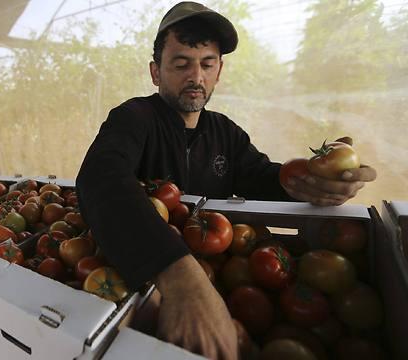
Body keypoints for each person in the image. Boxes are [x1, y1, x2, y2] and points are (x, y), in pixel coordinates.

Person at [75, 2, 377, 359]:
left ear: (219, 72)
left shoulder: (226, 134)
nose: (196, 77)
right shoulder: (134, 119)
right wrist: (179, 276)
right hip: (147, 280)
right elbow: (100, 177)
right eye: (181, 63)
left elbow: (262, 178)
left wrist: (313, 183)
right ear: (156, 72)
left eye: (207, 64)